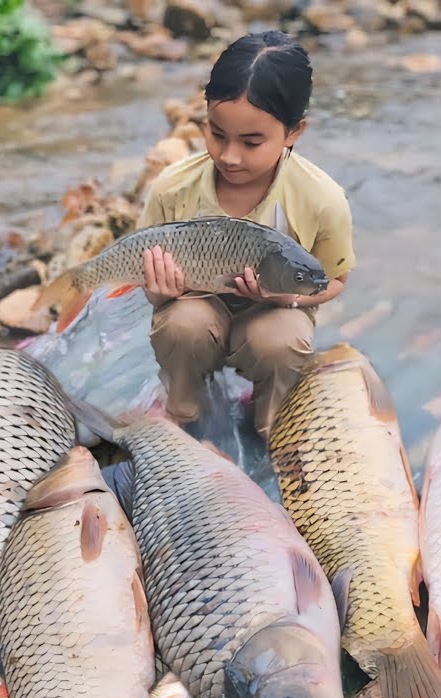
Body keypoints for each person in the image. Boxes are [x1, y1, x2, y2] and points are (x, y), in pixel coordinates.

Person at [136, 30, 356, 441]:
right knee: (183, 325)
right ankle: (183, 411)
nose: (229, 156)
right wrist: (160, 293)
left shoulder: (322, 199)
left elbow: (334, 279)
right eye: (217, 134)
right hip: (194, 305)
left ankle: (270, 424)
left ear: (294, 132)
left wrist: (280, 296)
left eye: (252, 142)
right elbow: (146, 283)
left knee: (281, 341)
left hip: (275, 311)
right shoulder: (172, 188)